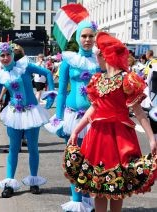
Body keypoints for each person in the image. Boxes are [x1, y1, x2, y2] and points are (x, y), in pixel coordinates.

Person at [65, 32, 157, 212]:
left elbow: (139, 113)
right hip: (98, 136)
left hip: (119, 138)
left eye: (98, 54)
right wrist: (76, 131)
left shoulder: (127, 79)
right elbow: (93, 109)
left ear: (105, 56)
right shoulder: (98, 80)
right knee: (98, 186)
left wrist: (151, 138)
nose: (96, 58)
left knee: (118, 185)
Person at [0, 42, 56, 198]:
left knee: (33, 148)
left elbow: (47, 73)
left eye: (8, 54)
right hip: (14, 113)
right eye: (2, 55)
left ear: (13, 55)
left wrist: (51, 93)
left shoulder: (25, 66)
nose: (6, 58)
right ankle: (9, 183)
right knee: (13, 149)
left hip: (32, 112)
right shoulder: (0, 76)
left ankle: (33, 181)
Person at [45, 20, 101, 212]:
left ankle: (85, 201)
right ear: (78, 38)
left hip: (94, 118)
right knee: (74, 159)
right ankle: (76, 202)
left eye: (90, 36)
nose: (87, 40)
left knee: (90, 161)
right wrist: (58, 118)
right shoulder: (68, 60)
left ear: (95, 37)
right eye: (83, 36)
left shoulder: (100, 61)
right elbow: (61, 92)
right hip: (72, 117)